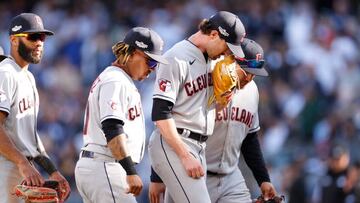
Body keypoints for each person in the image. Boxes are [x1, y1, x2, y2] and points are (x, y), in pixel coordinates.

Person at [149, 38, 278, 203]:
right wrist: (157, 176)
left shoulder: (252, 91)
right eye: (246, 71)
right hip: (194, 173)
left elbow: (250, 138)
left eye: (254, 74)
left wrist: (263, 179)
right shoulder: (204, 83)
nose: (250, 79)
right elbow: (170, 124)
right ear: (230, 61)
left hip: (231, 176)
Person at [148, 11, 246, 203]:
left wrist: (224, 99)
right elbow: (160, 114)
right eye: (228, 46)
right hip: (176, 146)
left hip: (198, 146)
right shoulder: (177, 57)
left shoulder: (214, 62)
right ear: (214, 34)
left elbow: (201, 114)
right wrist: (176, 161)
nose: (228, 53)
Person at [74, 27, 168, 203]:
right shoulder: (116, 80)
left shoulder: (118, 78)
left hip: (99, 165)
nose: (152, 69)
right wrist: (130, 171)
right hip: (106, 165)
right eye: (150, 62)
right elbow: (112, 128)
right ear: (133, 53)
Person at [0, 13, 70, 203]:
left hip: (23, 167)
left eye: (42, 37)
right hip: (7, 165)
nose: (39, 42)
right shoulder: (5, 72)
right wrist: (23, 163)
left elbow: (30, 138)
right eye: (32, 37)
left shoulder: (28, 77)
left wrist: (53, 171)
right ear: (13, 40)